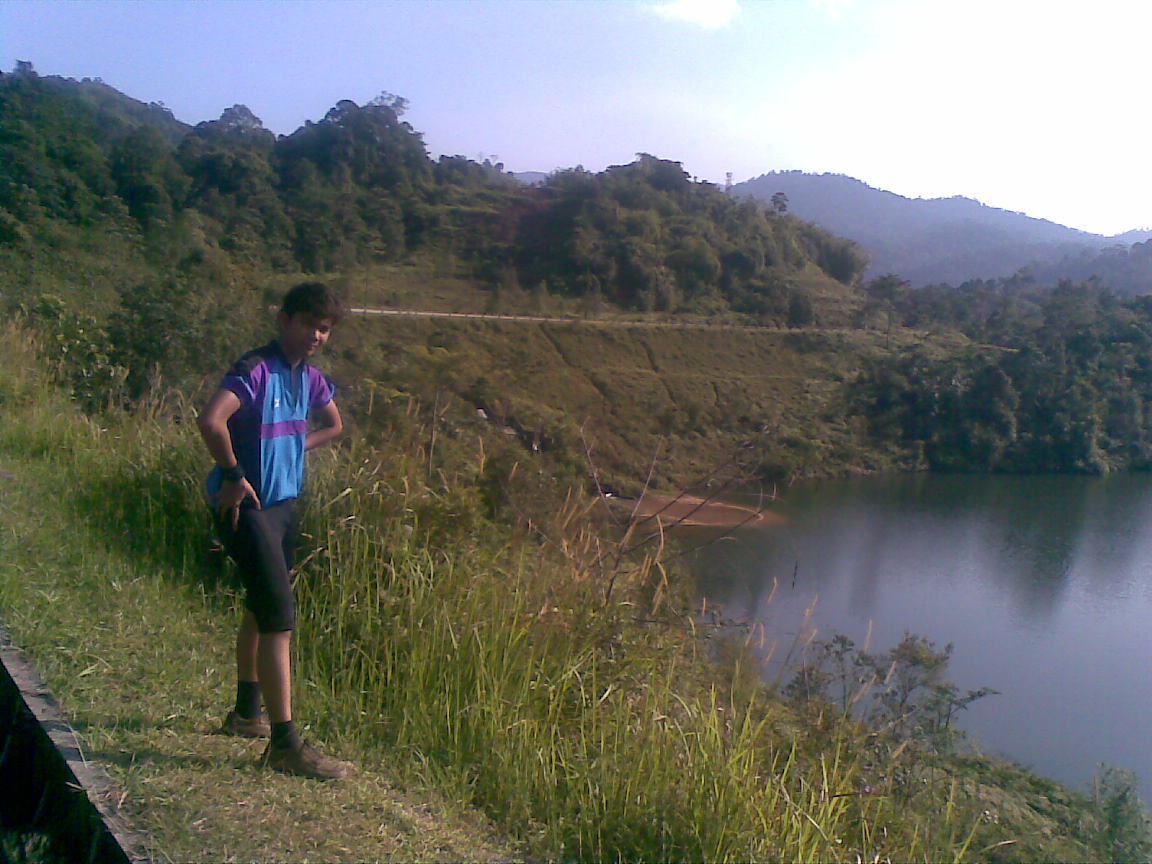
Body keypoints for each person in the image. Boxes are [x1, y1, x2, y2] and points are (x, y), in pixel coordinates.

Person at [197, 281, 350, 780]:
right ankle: (284, 744)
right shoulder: (255, 369)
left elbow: (334, 424)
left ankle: (246, 714)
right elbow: (211, 421)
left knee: (260, 611)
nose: (316, 335)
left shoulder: (309, 379)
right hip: (250, 508)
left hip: (283, 507)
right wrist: (236, 476)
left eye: (324, 328)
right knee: (279, 618)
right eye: (308, 323)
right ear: (285, 320)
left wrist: (294, 446)